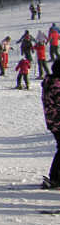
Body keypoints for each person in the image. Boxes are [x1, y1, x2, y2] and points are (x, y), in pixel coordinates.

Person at [41, 60, 60, 189]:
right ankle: (55, 178)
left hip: (54, 121)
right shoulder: (56, 85)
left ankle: (55, 177)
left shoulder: (51, 82)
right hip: (58, 121)